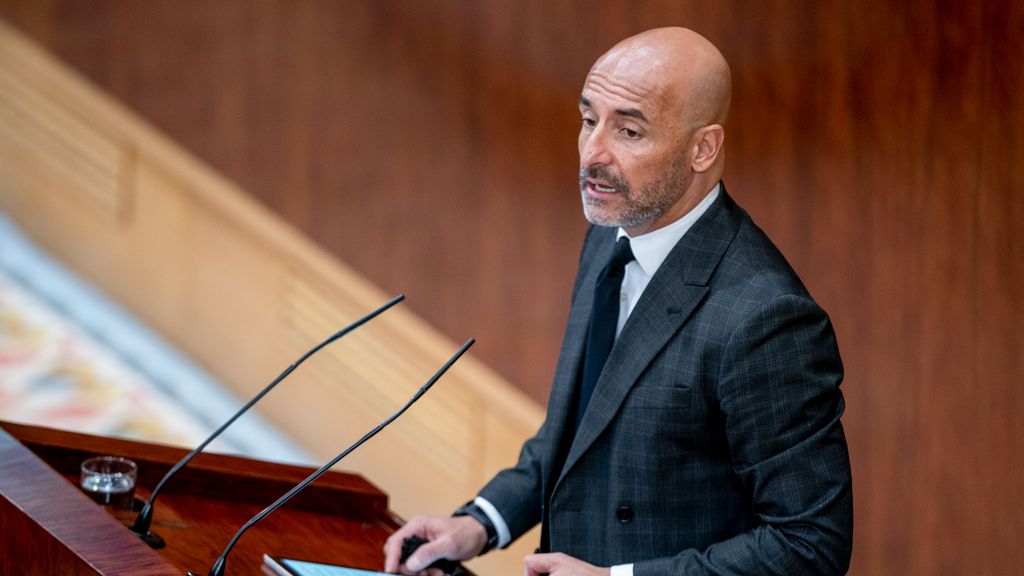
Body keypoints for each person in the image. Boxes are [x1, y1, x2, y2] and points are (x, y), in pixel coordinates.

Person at [383, 27, 852, 576]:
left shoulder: (766, 318)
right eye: (588, 120)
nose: (592, 153)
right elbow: (581, 435)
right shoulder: (612, 234)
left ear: (703, 148)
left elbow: (810, 545)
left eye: (629, 130)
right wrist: (480, 523)